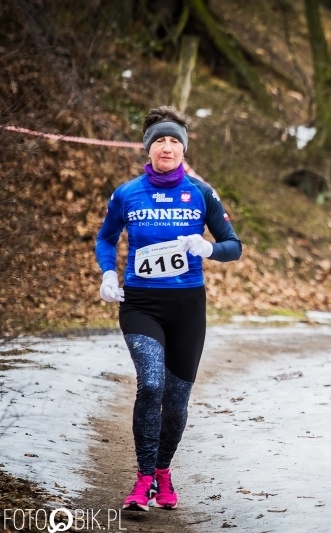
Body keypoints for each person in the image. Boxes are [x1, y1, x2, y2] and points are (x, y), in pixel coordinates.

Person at [95, 105, 242, 511]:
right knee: (152, 384)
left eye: (175, 140)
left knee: (177, 401)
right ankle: (142, 480)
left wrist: (209, 247)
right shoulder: (127, 193)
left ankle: (163, 471)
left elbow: (235, 246)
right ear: (148, 148)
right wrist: (109, 274)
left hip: (188, 307)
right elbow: (105, 238)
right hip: (141, 304)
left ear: (183, 149)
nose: (167, 146)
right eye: (160, 139)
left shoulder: (201, 193)